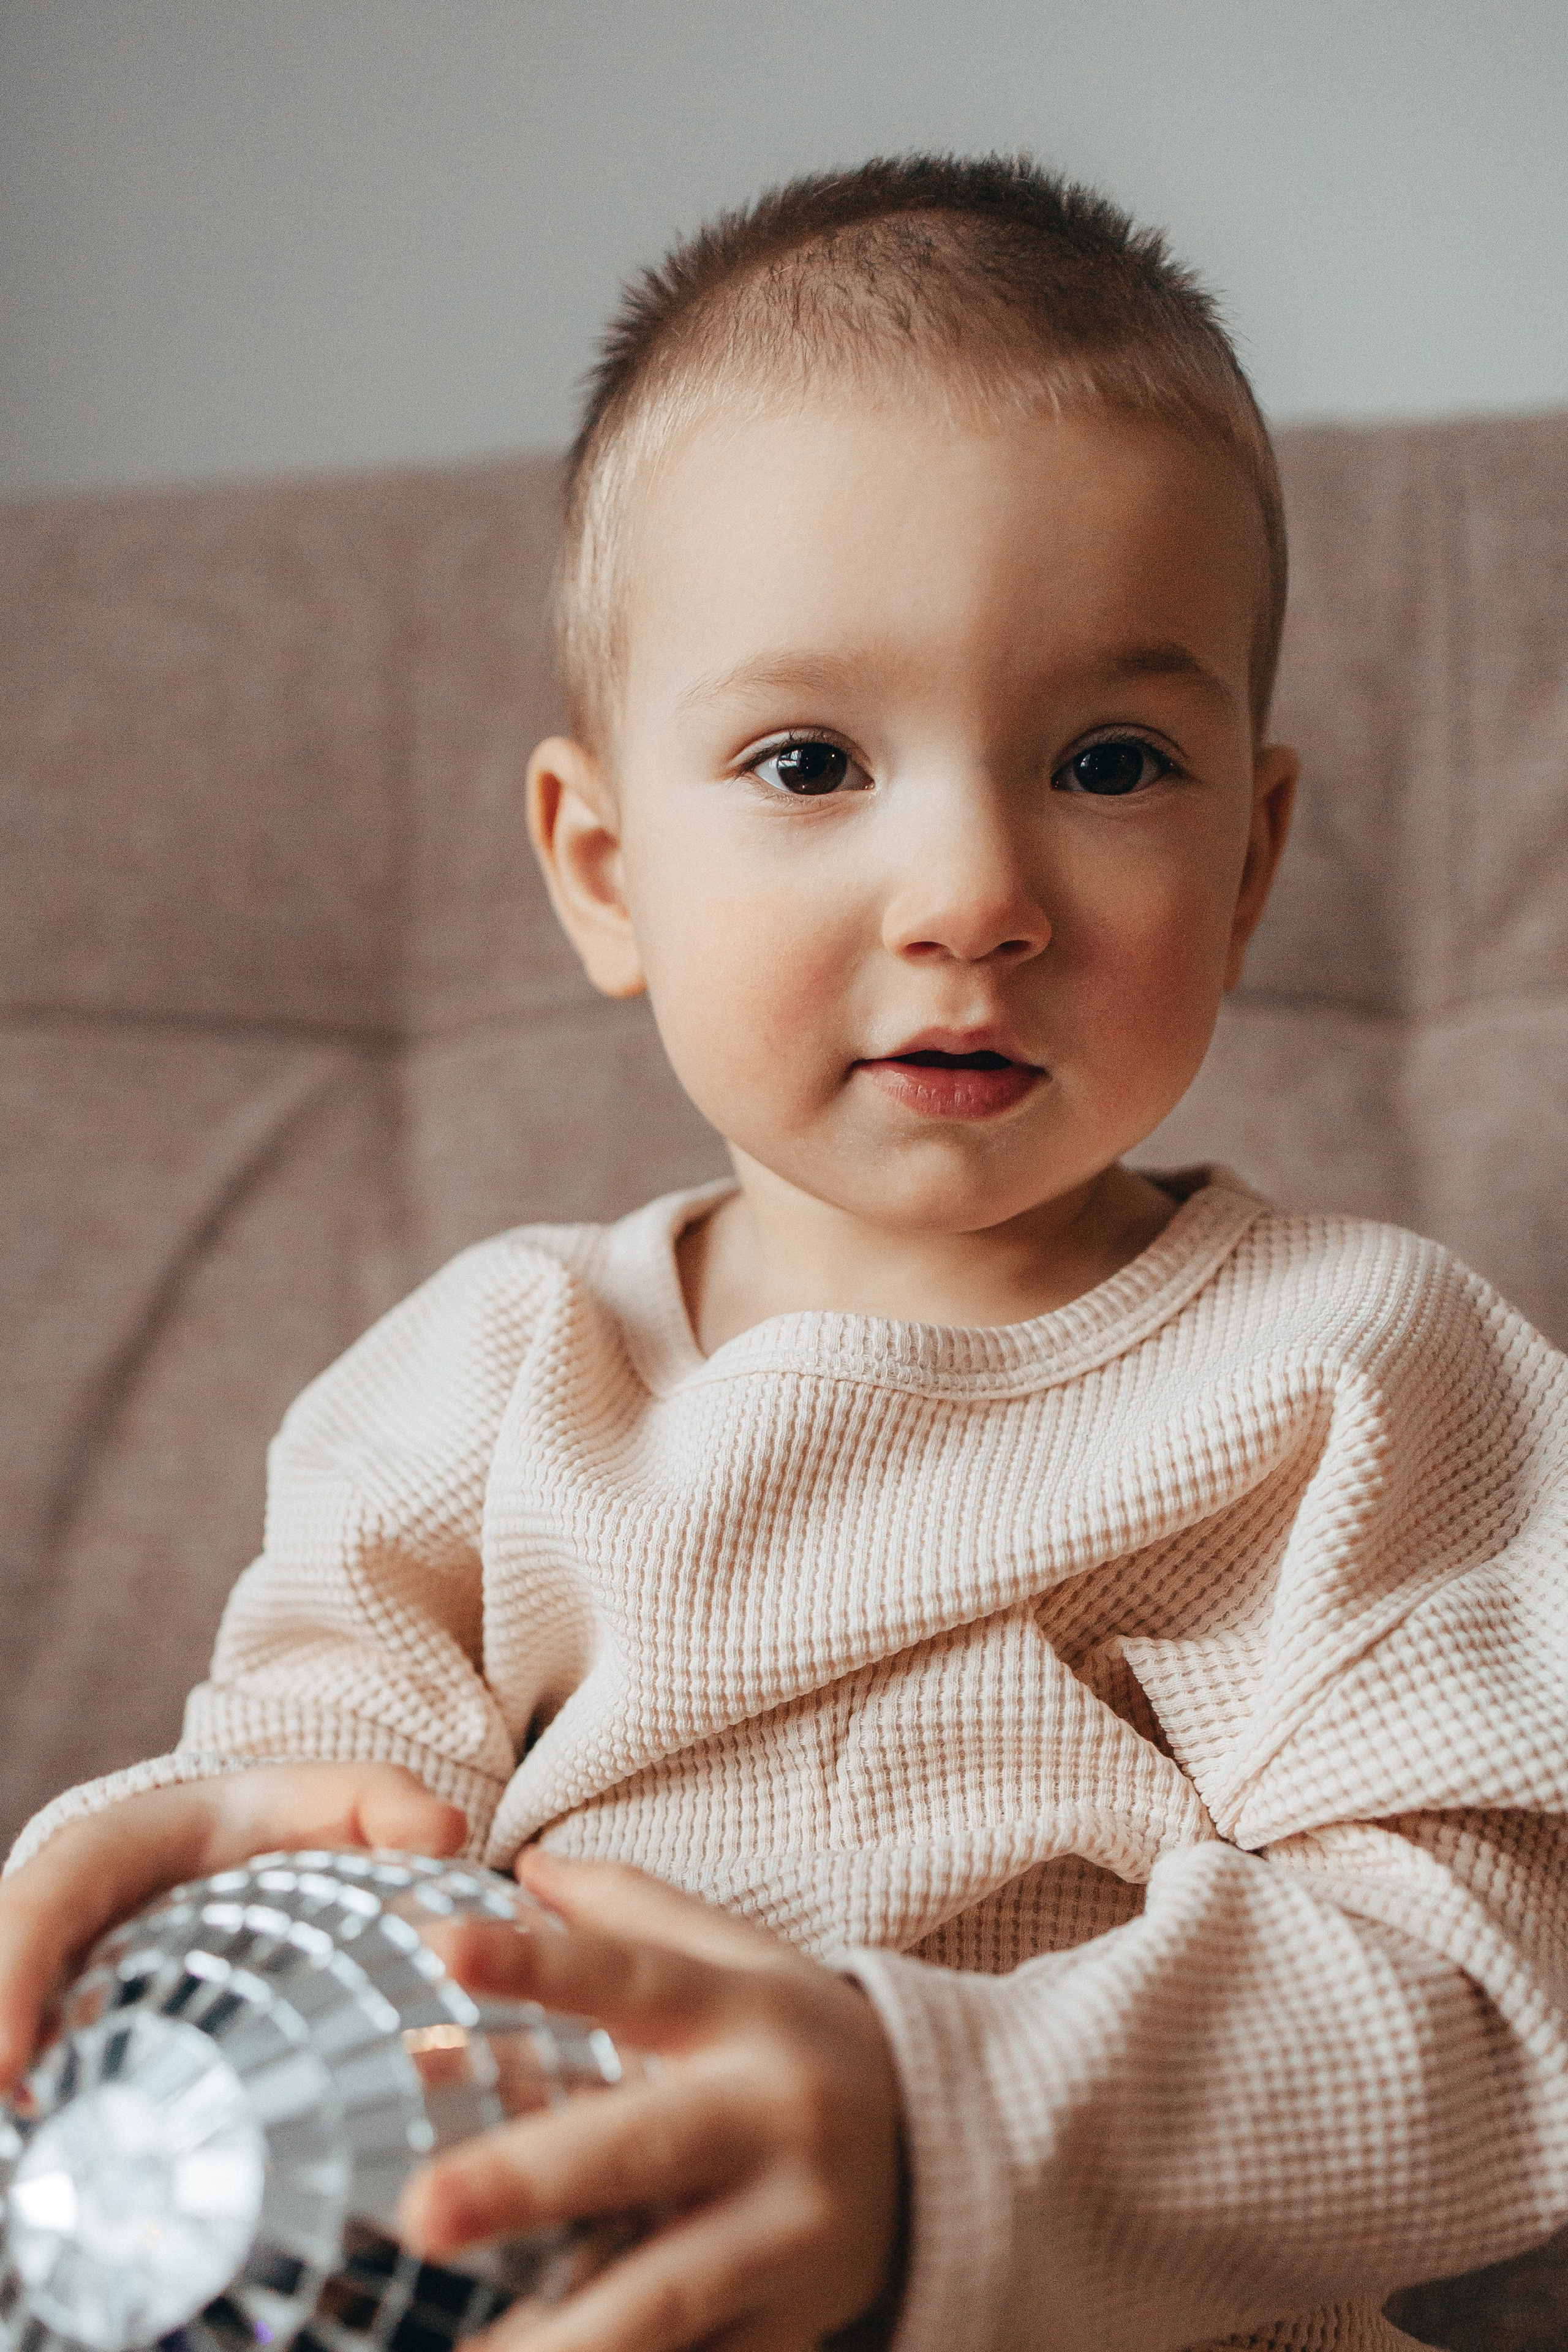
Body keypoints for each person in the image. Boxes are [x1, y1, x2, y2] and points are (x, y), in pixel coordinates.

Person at [2, 154, 1565, 2352]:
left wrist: (942, 2141)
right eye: (813, 758)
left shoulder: (1363, 1374)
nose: (971, 888)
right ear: (607, 868)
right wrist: (200, 1849)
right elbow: (317, 1785)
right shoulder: (478, 1386)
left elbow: (1500, 2004)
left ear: (1251, 859)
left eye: (1110, 759)